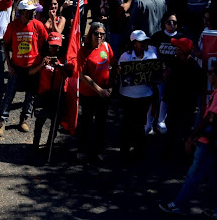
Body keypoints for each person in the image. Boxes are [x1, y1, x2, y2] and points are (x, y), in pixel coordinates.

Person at [159, 66, 217, 217]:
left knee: (194, 173)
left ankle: (178, 204)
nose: (208, 75)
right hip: (213, 141)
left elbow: (210, 118)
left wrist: (193, 136)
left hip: (208, 141)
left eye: (211, 73)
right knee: (214, 175)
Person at [0, 0, 48, 137]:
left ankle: (24, 119)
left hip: (33, 67)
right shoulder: (12, 26)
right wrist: (9, 63)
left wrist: (41, 62)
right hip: (16, 67)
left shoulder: (38, 25)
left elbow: (45, 43)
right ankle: (2, 121)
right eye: (29, 12)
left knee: (30, 96)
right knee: (9, 95)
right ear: (21, 12)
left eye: (33, 12)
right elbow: (5, 45)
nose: (32, 14)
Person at [117, 30, 157, 160]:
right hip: (127, 96)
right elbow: (120, 74)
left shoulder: (151, 55)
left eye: (145, 41)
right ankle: (125, 152)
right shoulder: (125, 56)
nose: (144, 44)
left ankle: (139, 152)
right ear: (134, 44)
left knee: (140, 124)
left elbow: (155, 75)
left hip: (145, 95)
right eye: (141, 42)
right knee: (127, 124)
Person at [78, 22, 114, 161]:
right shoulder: (84, 51)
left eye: (102, 34)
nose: (99, 36)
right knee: (86, 122)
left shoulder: (106, 46)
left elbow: (112, 65)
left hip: (104, 93)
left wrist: (110, 86)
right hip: (89, 93)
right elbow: (83, 75)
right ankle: (83, 149)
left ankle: (99, 150)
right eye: (96, 33)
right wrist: (99, 90)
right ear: (90, 34)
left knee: (101, 123)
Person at [32, 32, 72, 149]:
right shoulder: (41, 57)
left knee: (55, 122)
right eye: (52, 45)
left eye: (57, 46)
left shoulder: (64, 59)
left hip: (58, 95)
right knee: (40, 120)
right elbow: (30, 72)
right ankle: (35, 144)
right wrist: (42, 64)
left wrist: (59, 66)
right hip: (42, 94)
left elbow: (70, 74)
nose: (54, 49)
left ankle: (49, 145)